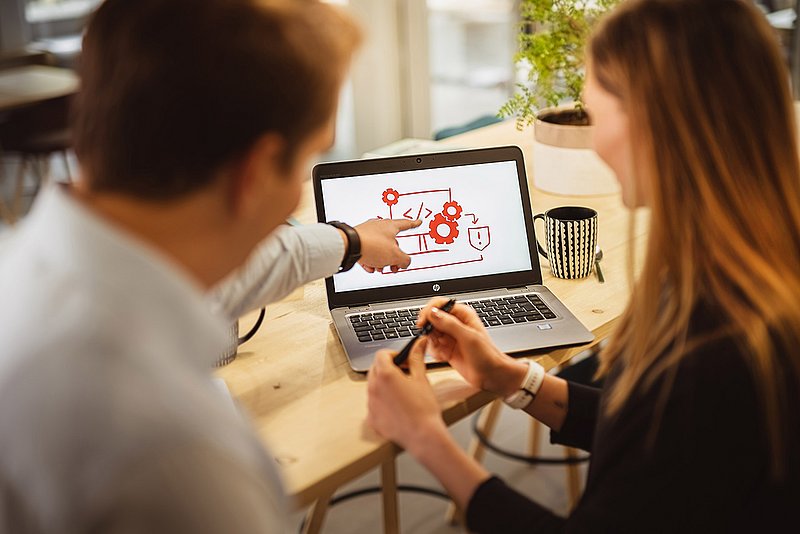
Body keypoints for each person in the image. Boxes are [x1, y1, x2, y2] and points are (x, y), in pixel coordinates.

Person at [366, 0, 800, 531]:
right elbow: (666, 444)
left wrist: (427, 441)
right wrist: (513, 378)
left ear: (655, 121)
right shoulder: (744, 275)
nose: (594, 140)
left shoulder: (714, 345)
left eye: (597, 115)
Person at [0, 0, 413, 532]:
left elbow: (236, 271)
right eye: (312, 155)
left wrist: (350, 241)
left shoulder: (38, 257)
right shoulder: (173, 451)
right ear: (259, 172)